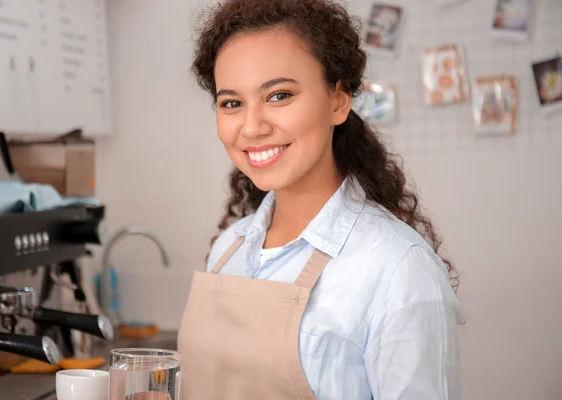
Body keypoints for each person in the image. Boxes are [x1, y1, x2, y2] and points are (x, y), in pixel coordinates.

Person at [177, 0, 461, 399]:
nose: (253, 126)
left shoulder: (397, 269)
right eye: (232, 103)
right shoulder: (230, 248)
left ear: (338, 101)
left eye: (279, 95)